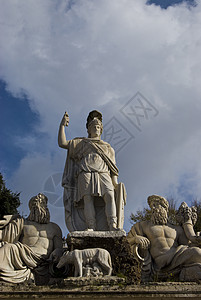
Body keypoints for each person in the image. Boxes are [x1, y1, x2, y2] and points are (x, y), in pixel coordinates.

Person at [58, 110, 125, 231]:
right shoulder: (81, 143)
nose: (96, 128)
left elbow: (113, 168)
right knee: (88, 199)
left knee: (109, 196)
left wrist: (115, 183)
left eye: (98, 126)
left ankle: (112, 225)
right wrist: (62, 125)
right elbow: (62, 143)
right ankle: (91, 226)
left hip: (103, 173)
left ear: (101, 129)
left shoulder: (108, 147)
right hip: (85, 172)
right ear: (88, 129)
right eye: (93, 126)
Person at [127, 195, 201, 281]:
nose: (153, 208)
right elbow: (126, 242)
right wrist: (135, 238)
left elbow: (188, 245)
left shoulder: (176, 229)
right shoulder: (142, 225)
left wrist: (196, 238)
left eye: (156, 204)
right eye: (152, 206)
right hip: (159, 262)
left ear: (165, 208)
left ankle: (186, 273)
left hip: (177, 257)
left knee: (197, 253)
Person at [0, 193, 63, 284]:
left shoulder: (54, 227)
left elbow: (59, 248)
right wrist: (12, 220)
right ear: (31, 208)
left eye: (43, 204)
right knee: (8, 248)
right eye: (35, 204)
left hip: (45, 261)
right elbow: (5, 236)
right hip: (23, 256)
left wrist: (58, 251)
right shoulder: (22, 223)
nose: (39, 207)